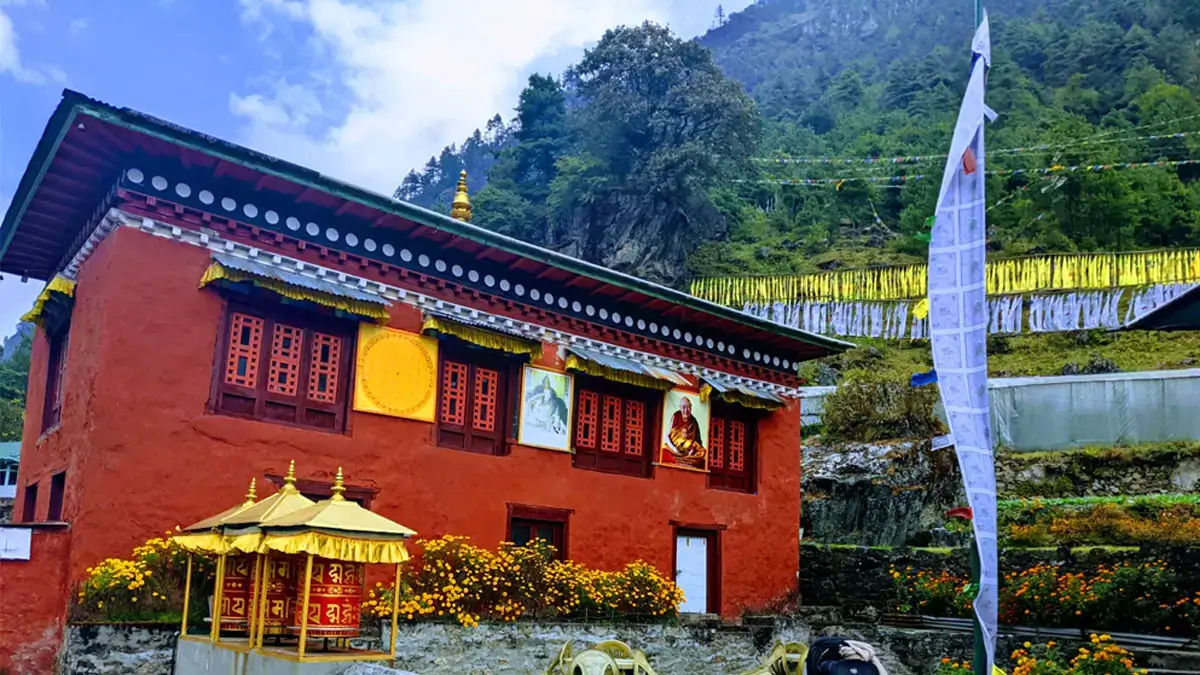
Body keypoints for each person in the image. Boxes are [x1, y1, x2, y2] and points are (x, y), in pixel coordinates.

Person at [664, 396, 706, 467]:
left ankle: (686, 459)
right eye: (683, 407)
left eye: (688, 407)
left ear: (691, 407)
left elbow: (697, 442)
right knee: (664, 451)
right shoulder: (676, 416)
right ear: (680, 407)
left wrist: (691, 452)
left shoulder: (694, 422)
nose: (686, 410)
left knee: (702, 453)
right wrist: (674, 448)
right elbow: (667, 435)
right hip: (674, 449)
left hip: (688, 452)